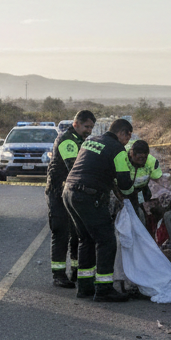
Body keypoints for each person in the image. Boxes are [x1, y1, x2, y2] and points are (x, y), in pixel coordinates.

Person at [62, 118, 135, 302]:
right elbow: (125, 185)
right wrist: (133, 192)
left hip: (69, 193)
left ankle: (85, 287)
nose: (128, 140)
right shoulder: (117, 149)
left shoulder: (91, 141)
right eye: (128, 136)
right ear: (123, 133)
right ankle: (103, 289)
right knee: (106, 241)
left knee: (85, 239)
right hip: (88, 196)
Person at [45, 109, 96, 288]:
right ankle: (58, 274)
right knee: (61, 232)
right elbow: (74, 167)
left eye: (91, 127)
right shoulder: (67, 140)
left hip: (72, 192)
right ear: (76, 124)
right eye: (86, 126)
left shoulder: (80, 140)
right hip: (58, 193)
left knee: (77, 233)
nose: (89, 130)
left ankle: (76, 270)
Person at [116, 139, 163, 220]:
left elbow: (160, 180)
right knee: (127, 211)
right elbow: (113, 181)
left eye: (144, 158)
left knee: (146, 205)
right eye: (139, 158)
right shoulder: (121, 160)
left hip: (141, 187)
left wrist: (164, 192)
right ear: (131, 154)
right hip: (123, 187)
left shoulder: (151, 162)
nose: (142, 161)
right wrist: (121, 197)